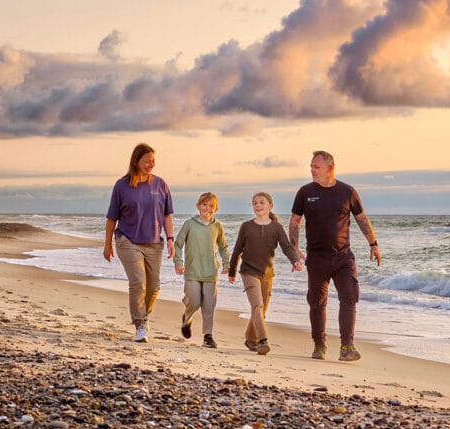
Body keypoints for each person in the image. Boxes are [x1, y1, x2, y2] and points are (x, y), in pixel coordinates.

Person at [289, 150, 382, 362]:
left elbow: (361, 218)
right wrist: (294, 247)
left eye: (316, 167)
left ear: (329, 168)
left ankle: (347, 346)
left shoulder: (347, 191)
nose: (312, 170)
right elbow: (295, 221)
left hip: (343, 257)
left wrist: (373, 244)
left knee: (349, 298)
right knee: (317, 302)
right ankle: (319, 346)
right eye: (311, 166)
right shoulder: (305, 192)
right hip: (317, 258)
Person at [104, 143, 174, 343]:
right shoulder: (122, 185)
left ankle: (144, 316)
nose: (151, 164)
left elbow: (167, 215)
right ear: (136, 161)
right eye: (147, 161)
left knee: (153, 287)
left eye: (153, 161)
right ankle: (140, 325)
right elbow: (111, 218)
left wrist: (170, 239)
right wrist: (107, 244)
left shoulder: (161, 184)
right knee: (138, 282)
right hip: (127, 239)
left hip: (153, 242)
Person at [228, 192, 302, 355]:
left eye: (262, 202)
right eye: (255, 203)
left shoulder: (276, 227)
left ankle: (250, 339)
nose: (258, 206)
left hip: (268, 275)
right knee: (257, 305)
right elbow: (237, 250)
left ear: (270, 206)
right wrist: (232, 270)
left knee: (261, 310)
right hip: (248, 272)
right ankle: (263, 341)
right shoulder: (246, 226)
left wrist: (295, 260)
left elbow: (286, 246)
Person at [173, 192, 230, 349]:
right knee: (194, 300)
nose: (207, 208)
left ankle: (207, 336)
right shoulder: (189, 224)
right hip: (192, 270)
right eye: (204, 204)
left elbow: (223, 246)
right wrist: (178, 262)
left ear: (216, 209)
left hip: (211, 271)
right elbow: (178, 244)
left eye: (211, 206)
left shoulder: (217, 226)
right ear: (198, 206)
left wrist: (227, 263)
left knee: (209, 305)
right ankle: (187, 318)